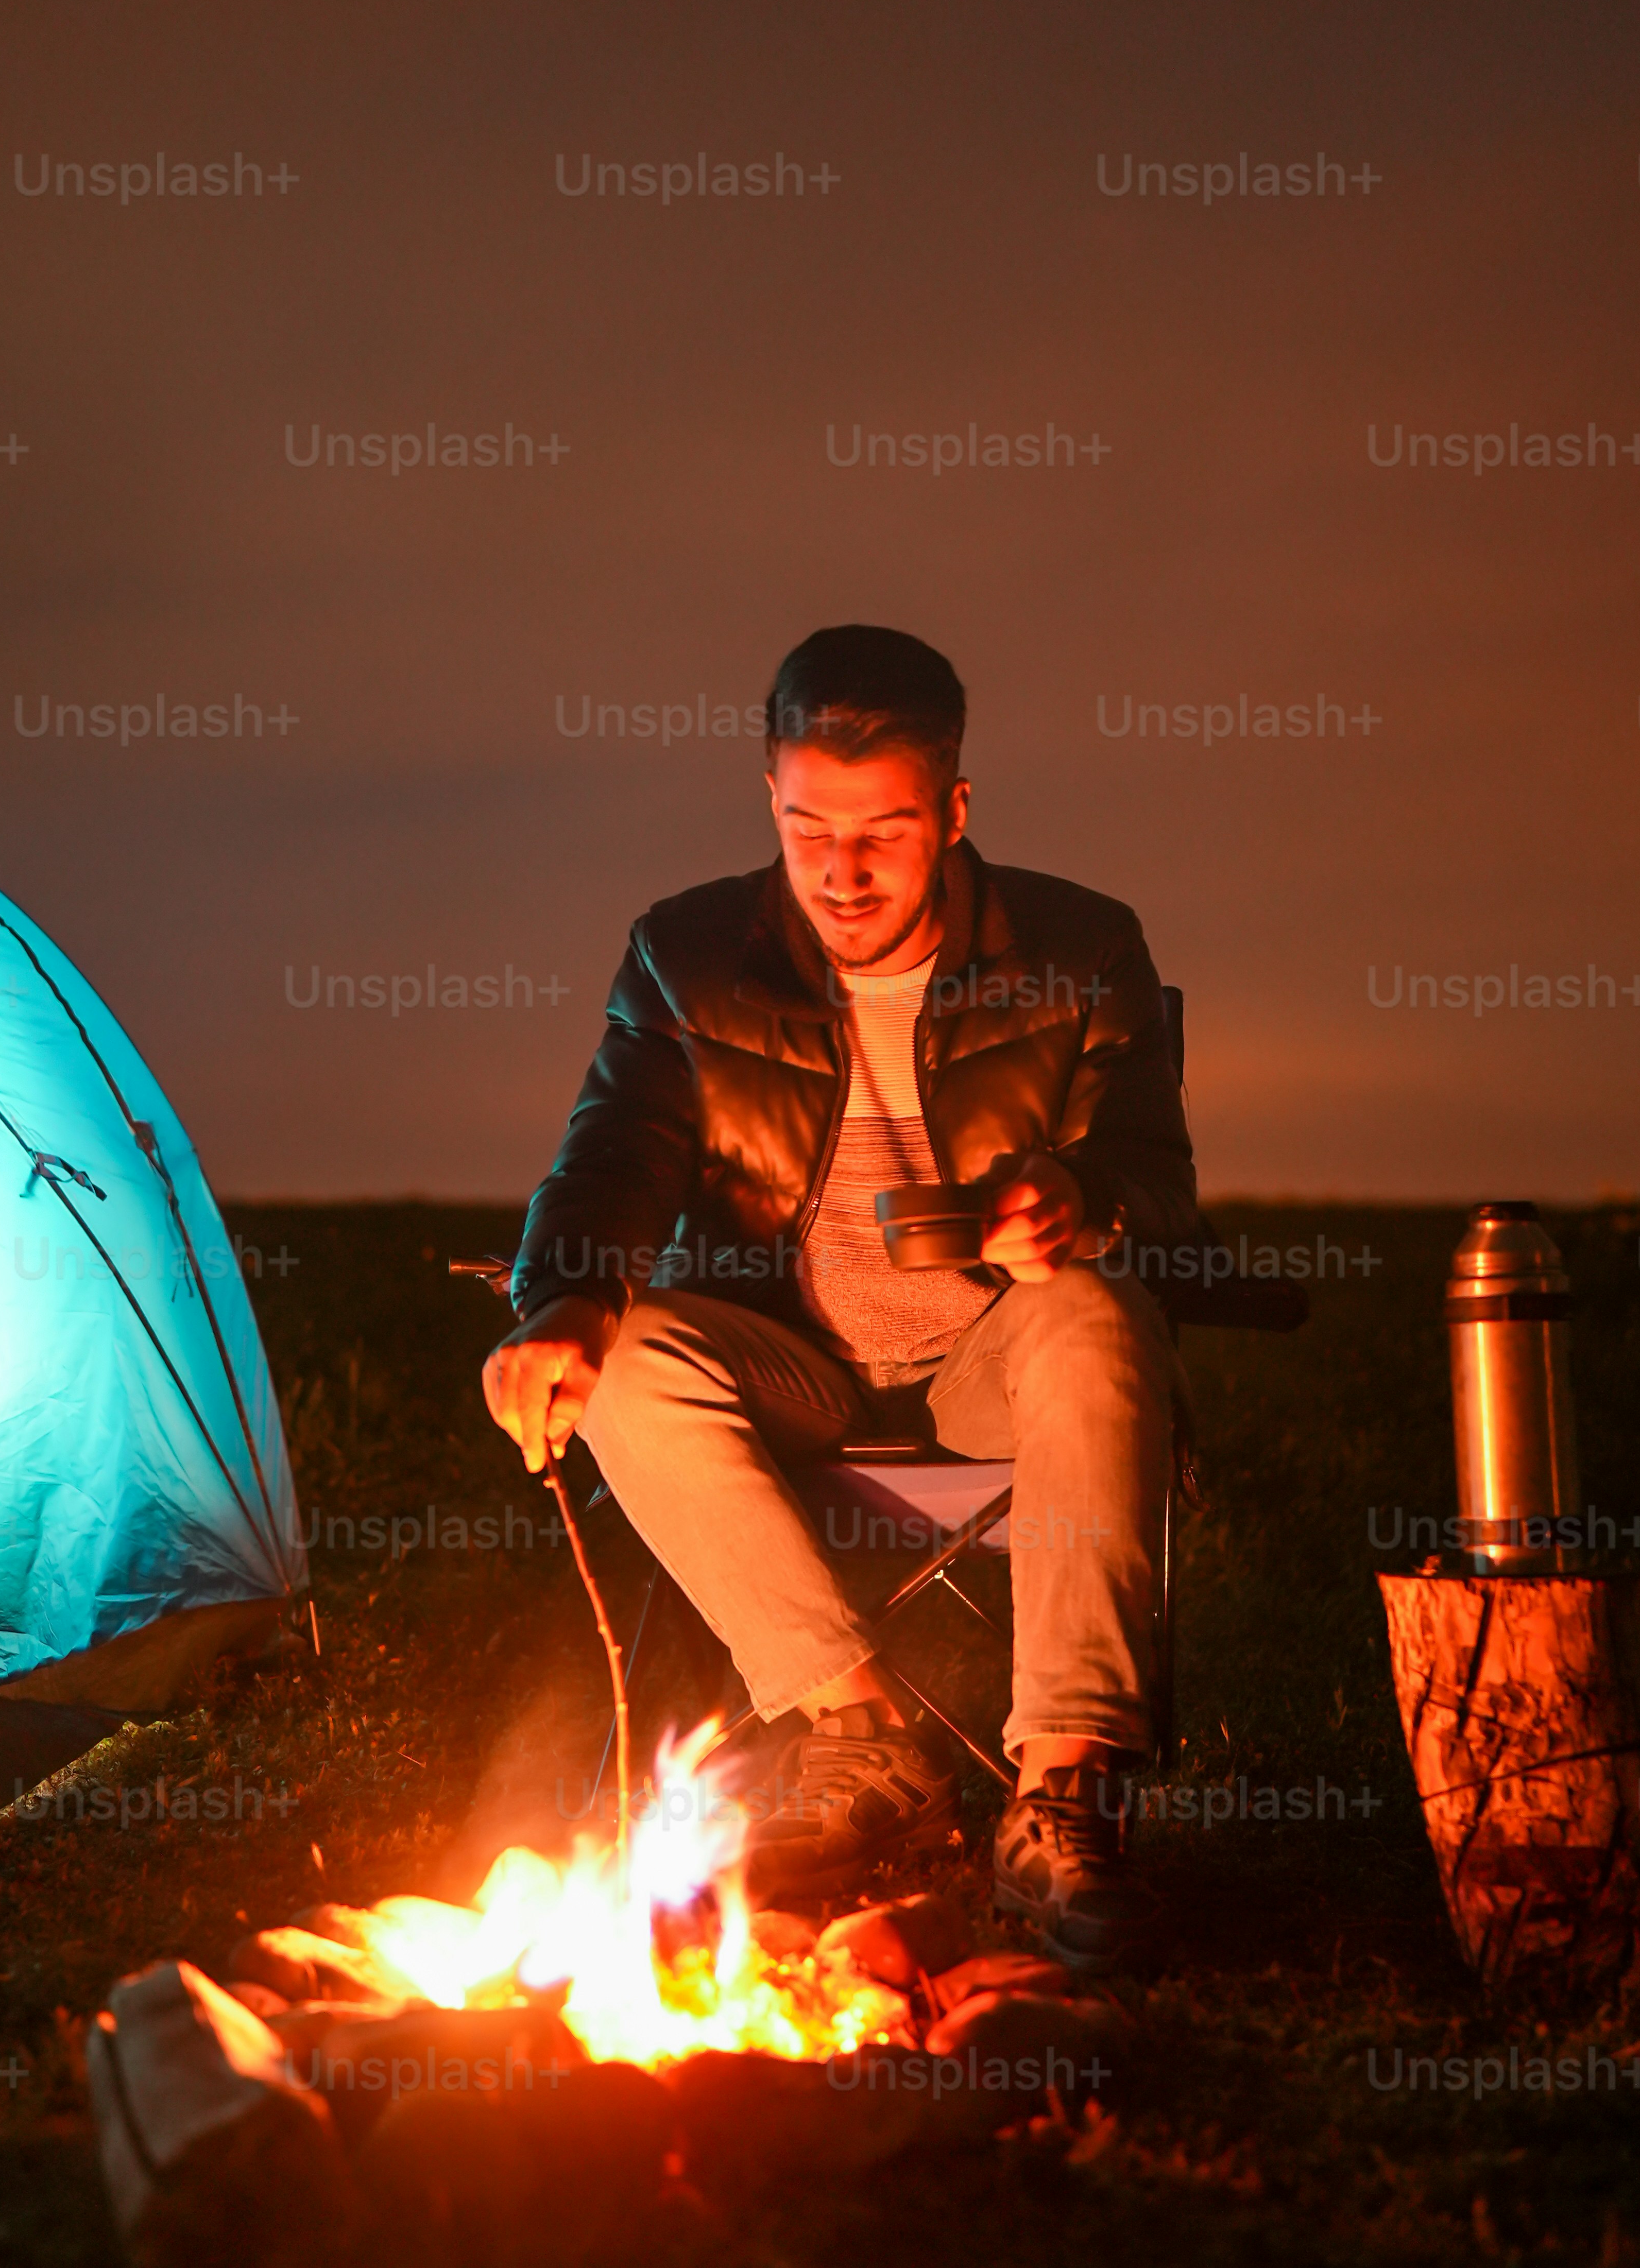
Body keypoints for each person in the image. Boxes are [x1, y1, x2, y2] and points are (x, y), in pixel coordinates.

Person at [481, 624, 1200, 1967]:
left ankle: (1062, 1794)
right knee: (629, 1352)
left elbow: (1159, 1188)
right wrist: (564, 1305)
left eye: (884, 831)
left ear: (955, 811)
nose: (843, 872)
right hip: (794, 1359)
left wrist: (1080, 1198)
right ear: (771, 798)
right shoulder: (688, 955)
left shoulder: (1081, 948)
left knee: (1096, 1315)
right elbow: (614, 1158)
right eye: (810, 827)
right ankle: (858, 1735)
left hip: (995, 1347)